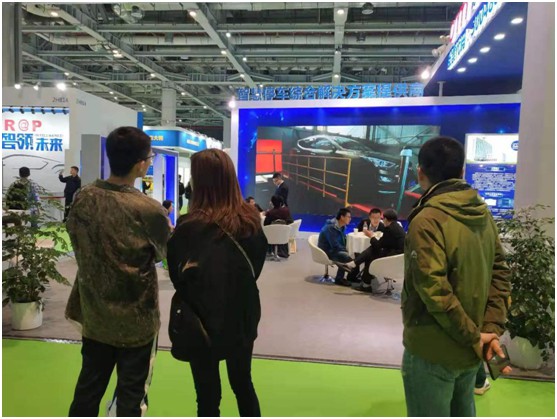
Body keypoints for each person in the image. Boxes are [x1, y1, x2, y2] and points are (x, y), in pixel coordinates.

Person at [401, 136, 512, 417]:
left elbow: (434, 290)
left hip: (433, 350)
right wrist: (488, 330)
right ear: (462, 171)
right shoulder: (482, 213)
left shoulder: (426, 219)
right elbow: (500, 273)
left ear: (420, 173)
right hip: (471, 350)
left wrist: (475, 336)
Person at [65, 127, 171, 417]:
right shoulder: (149, 210)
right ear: (141, 164)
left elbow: (77, 242)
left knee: (87, 391)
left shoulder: (84, 198)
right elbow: (165, 254)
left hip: (94, 314)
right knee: (131, 397)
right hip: (137, 321)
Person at [167, 148, 267, 417]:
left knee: (207, 396)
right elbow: (255, 268)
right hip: (242, 313)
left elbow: (177, 275)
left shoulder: (189, 226)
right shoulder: (250, 220)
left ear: (199, 182)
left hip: (200, 318)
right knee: (243, 384)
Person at [342, 209, 405, 292]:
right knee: (372, 252)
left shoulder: (389, 229)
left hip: (393, 257)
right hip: (399, 257)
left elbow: (378, 245)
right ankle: (365, 282)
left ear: (385, 219)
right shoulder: (397, 227)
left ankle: (356, 265)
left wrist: (371, 236)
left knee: (372, 251)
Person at [317, 208, 353, 287]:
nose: (350, 219)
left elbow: (341, 242)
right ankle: (339, 279)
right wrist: (346, 251)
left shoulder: (342, 227)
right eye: (348, 217)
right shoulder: (330, 227)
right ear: (342, 217)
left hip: (334, 249)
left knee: (353, 255)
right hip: (327, 251)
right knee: (346, 256)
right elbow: (334, 245)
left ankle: (351, 277)